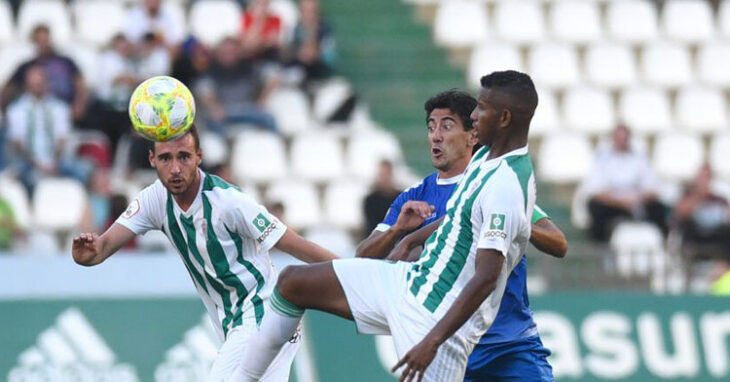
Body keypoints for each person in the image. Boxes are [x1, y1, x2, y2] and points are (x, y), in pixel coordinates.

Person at [237, 70, 543, 381]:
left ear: (504, 118)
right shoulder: (486, 160)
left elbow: (487, 277)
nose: (475, 115)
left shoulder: (506, 186)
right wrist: (408, 239)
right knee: (292, 283)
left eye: (482, 108)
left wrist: (432, 342)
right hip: (409, 281)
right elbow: (457, 215)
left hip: (435, 321)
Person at [71, 125, 338, 381]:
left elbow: (296, 245)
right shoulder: (153, 200)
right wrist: (86, 253)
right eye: (165, 158)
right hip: (235, 323)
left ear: (199, 157)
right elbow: (100, 249)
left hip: (263, 311)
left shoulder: (229, 202)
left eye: (184, 157)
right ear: (152, 159)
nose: (175, 169)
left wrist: (355, 270)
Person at [356, 89, 566, 381]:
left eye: (446, 125)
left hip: (508, 343)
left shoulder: (499, 184)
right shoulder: (414, 197)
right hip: (446, 344)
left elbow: (559, 243)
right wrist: (398, 231)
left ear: (473, 136)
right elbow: (363, 258)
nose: (436, 136)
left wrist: (516, 221)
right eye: (431, 127)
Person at [7, 65, 90, 194]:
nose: (36, 88)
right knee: (24, 177)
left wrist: (53, 164)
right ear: (26, 85)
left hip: (56, 162)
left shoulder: (60, 108)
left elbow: (62, 139)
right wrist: (38, 165)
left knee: (84, 171)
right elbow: (18, 144)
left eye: (39, 84)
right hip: (29, 162)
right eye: (32, 85)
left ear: (46, 83)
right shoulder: (16, 110)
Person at [584, 124, 667, 242]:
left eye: (624, 138)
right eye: (619, 138)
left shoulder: (640, 158)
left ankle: (662, 243)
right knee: (595, 207)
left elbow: (653, 189)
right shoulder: (602, 159)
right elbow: (596, 192)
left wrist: (637, 200)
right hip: (613, 204)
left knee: (659, 208)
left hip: (637, 202)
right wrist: (620, 202)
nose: (622, 141)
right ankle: (599, 247)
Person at [0, 25, 88, 122]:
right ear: (34, 42)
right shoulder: (26, 66)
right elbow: (7, 88)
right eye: (40, 40)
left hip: (65, 111)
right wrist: (6, 110)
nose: (44, 43)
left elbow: (81, 85)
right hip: (35, 115)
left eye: (46, 39)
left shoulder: (66, 62)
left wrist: (79, 105)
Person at [195, 37, 278, 135]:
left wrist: (263, 99)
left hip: (249, 111)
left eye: (232, 52)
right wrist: (214, 107)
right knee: (211, 125)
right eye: (224, 52)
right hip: (224, 112)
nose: (228, 56)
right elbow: (204, 89)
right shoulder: (211, 72)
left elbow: (274, 75)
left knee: (269, 120)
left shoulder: (250, 68)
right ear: (218, 54)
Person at [362, 159, 400, 238]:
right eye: (382, 175)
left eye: (387, 174)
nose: (384, 178)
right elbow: (371, 227)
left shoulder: (401, 197)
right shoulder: (370, 200)